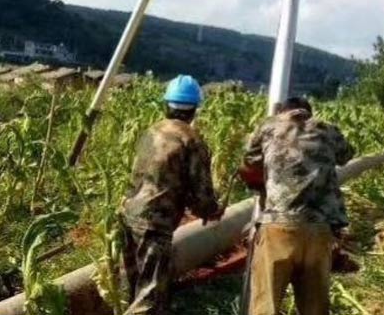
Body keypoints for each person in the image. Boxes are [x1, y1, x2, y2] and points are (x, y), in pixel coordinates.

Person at [240, 96, 354, 315]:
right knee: (315, 309)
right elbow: (346, 155)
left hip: (278, 228)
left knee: (267, 305)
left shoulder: (268, 128)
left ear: (282, 112)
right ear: (308, 113)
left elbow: (248, 163)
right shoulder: (329, 131)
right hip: (319, 230)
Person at [120, 74, 221, 315]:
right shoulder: (192, 140)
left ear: (167, 104)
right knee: (150, 297)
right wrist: (211, 210)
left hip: (128, 213)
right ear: (194, 109)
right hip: (155, 224)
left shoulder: (151, 131)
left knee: (131, 287)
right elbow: (202, 195)